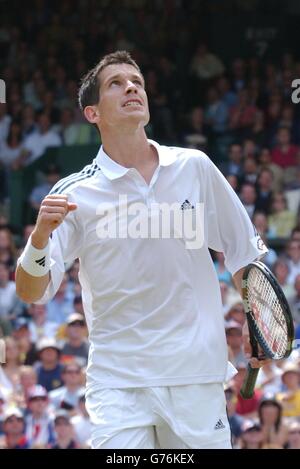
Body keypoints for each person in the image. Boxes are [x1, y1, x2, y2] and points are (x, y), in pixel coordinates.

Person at [16, 50, 269, 449]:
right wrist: (39, 239)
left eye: (137, 82)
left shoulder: (195, 167)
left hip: (194, 374)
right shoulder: (73, 194)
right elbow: (32, 291)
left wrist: (259, 319)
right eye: (115, 83)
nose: (131, 87)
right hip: (119, 381)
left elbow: (243, 254)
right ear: (93, 113)